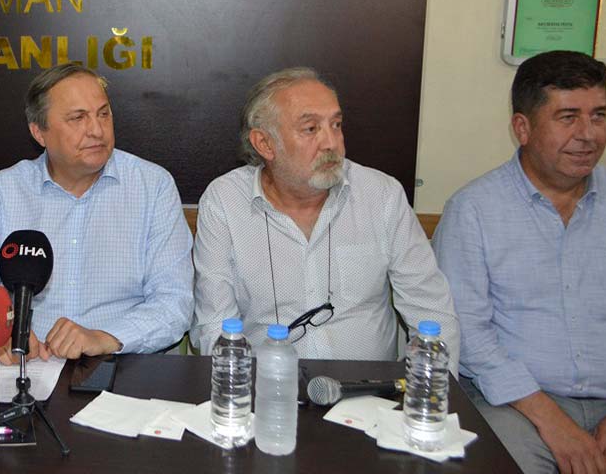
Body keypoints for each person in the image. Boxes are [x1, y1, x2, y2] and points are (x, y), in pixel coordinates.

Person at [434, 50, 606, 474]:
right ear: (522, 127)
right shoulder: (474, 211)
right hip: (517, 406)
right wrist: (552, 421)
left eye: (598, 115)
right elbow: (468, 334)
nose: (588, 135)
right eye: (568, 118)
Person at [191, 67, 459, 366]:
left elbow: (431, 309)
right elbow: (214, 324)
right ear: (265, 144)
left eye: (336, 125)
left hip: (367, 388)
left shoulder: (381, 195)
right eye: (311, 129)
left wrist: (429, 390)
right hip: (266, 384)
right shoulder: (225, 201)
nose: (331, 143)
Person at [0, 64, 193, 361]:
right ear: (39, 132)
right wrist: (3, 331)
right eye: (78, 118)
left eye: (103, 114)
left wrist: (106, 338)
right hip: (26, 363)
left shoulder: (152, 187)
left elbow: (174, 302)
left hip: (120, 361)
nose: (97, 130)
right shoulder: (2, 192)